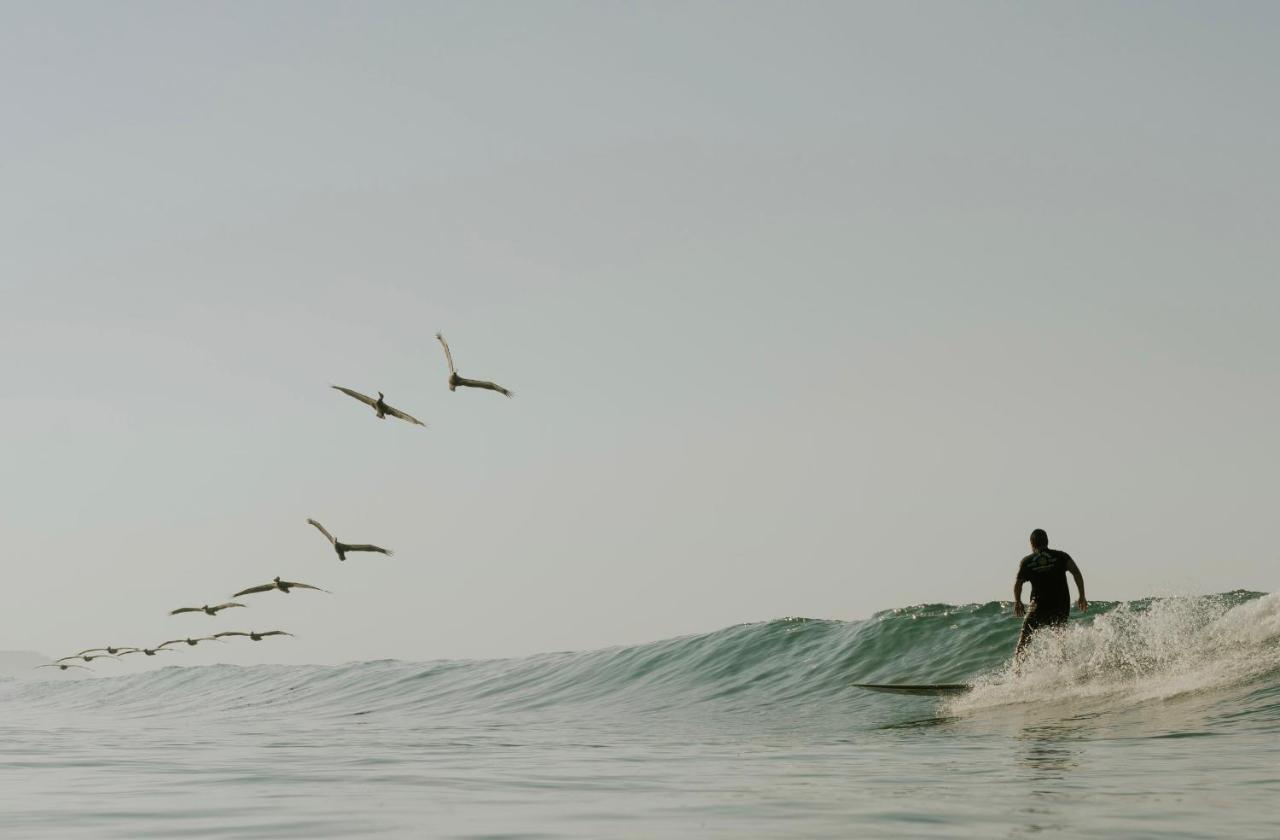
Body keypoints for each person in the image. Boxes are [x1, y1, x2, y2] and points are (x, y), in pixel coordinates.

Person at [1013, 528, 1087, 657]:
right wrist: (1082, 596)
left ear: (1032, 543)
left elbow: (1018, 584)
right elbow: (1076, 573)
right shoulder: (1061, 556)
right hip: (1060, 605)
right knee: (1060, 640)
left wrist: (1018, 601)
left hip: (1038, 607)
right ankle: (1062, 669)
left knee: (1024, 641)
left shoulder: (1027, 562)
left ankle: (1017, 673)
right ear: (1047, 541)